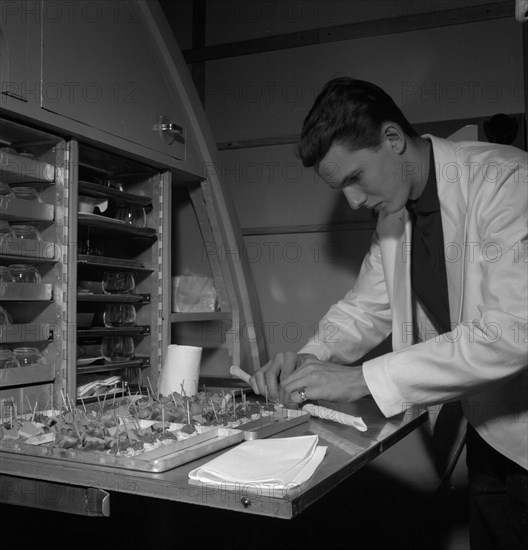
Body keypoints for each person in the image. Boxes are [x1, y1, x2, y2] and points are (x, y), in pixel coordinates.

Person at [250, 78, 528, 550]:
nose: (353, 201)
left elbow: (511, 333)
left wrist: (359, 380)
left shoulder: (506, 180)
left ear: (393, 139)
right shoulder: (393, 217)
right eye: (341, 188)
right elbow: (363, 309)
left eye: (355, 178)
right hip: (491, 431)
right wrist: (306, 358)